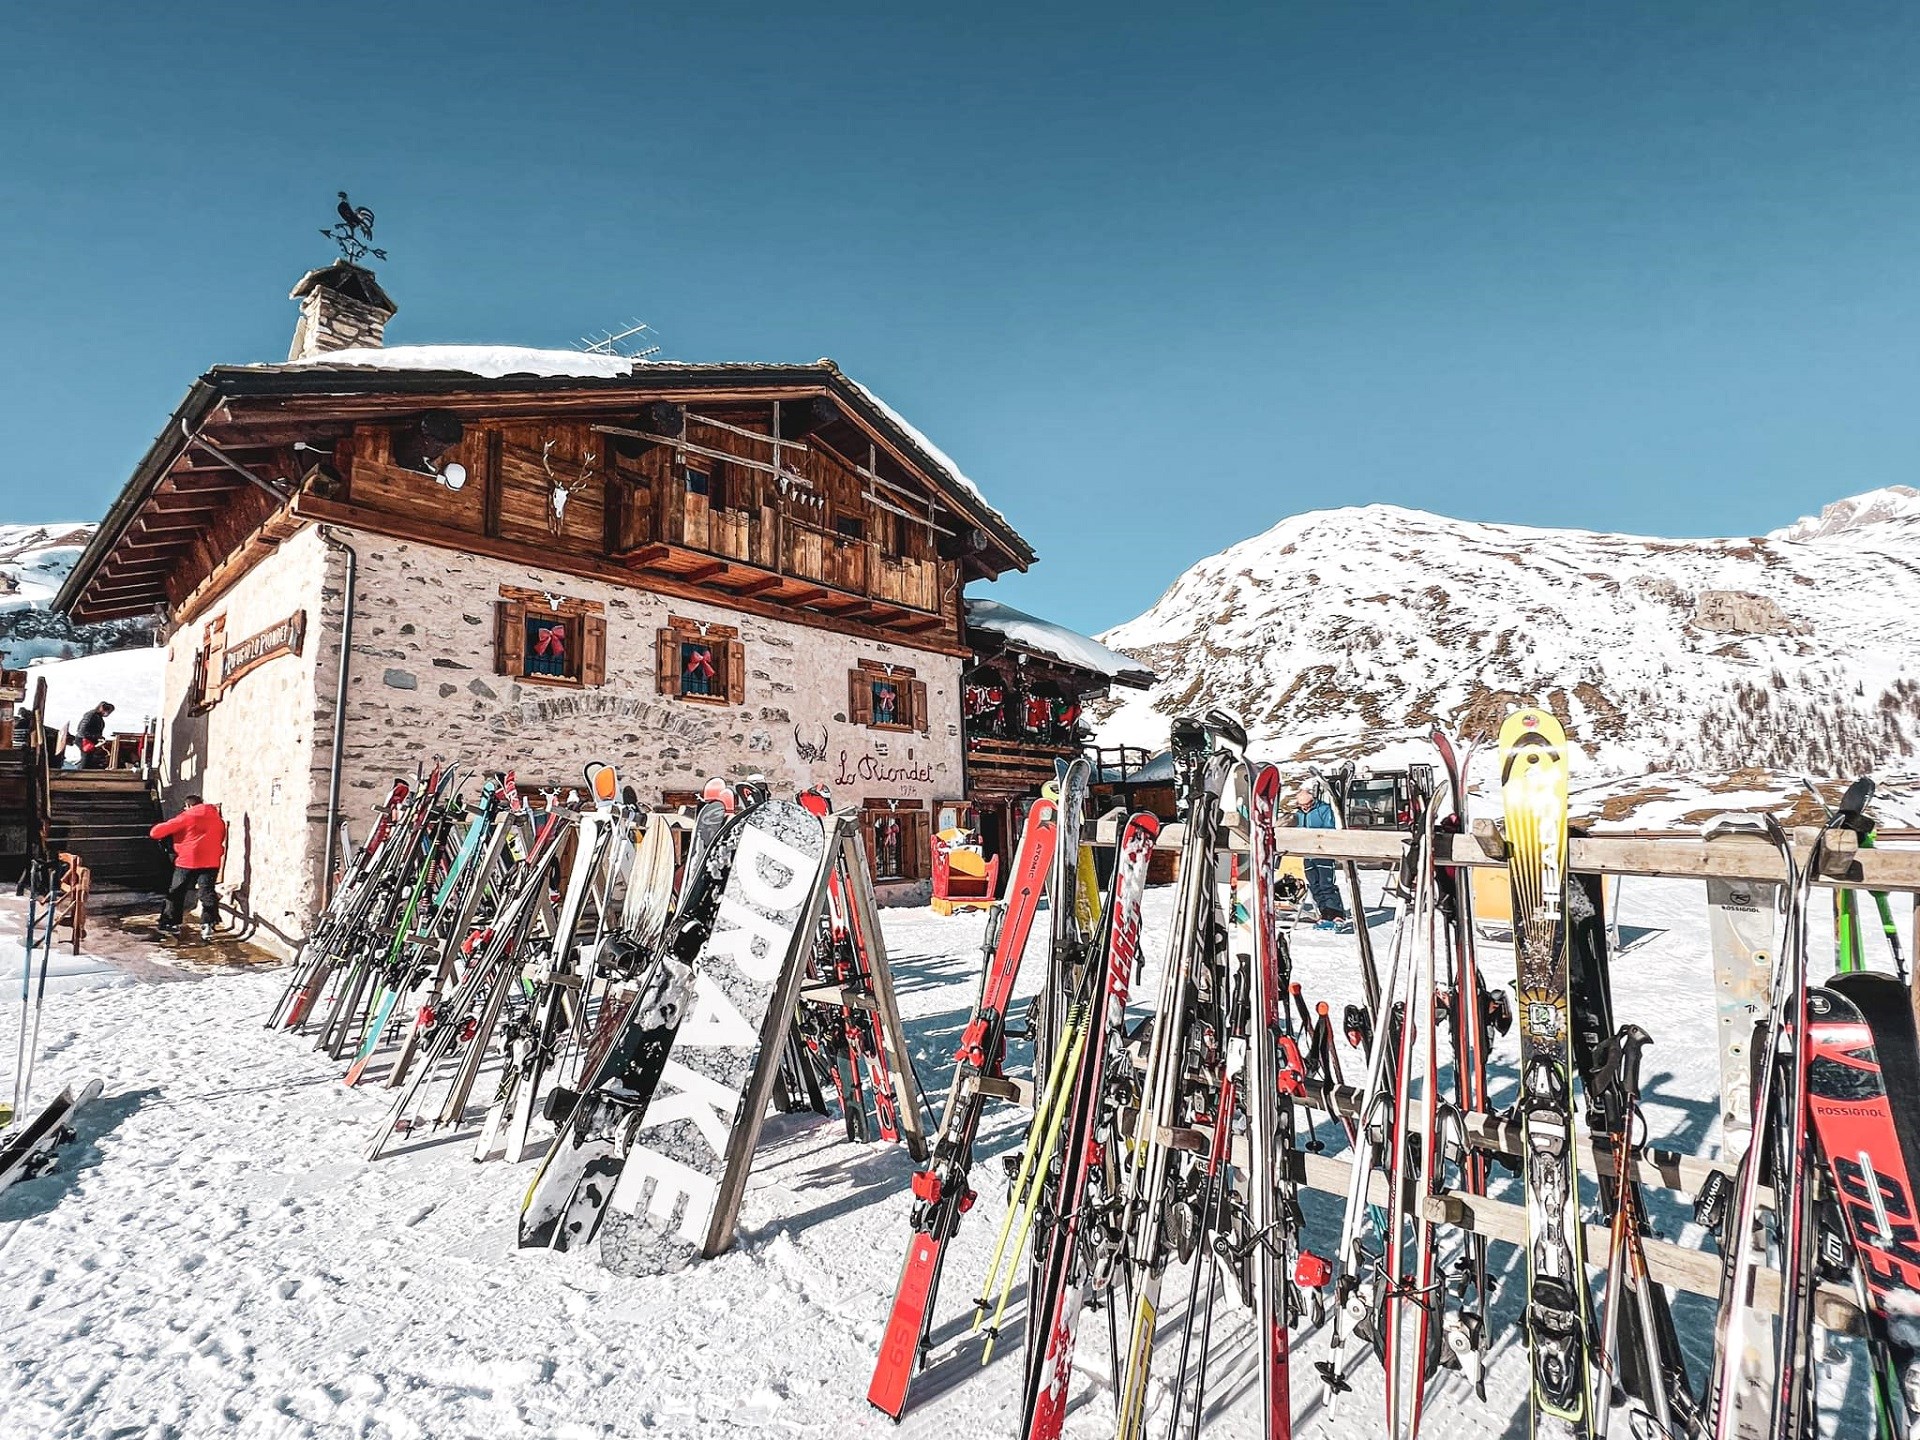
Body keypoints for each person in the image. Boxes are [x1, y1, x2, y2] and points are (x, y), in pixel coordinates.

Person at [151, 793, 227, 939]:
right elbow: (221, 837)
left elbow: (155, 832)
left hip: (188, 860)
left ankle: (170, 922)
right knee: (207, 892)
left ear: (188, 805)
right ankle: (208, 923)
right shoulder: (218, 819)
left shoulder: (187, 816)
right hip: (211, 860)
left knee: (177, 891)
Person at [1291, 782, 1351, 931]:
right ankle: (1324, 913)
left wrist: (1319, 839)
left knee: (1326, 884)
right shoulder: (1298, 814)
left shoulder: (1323, 809)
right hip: (1307, 853)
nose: (1305, 808)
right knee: (1314, 885)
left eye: (1307, 804)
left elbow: (1329, 828)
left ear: (1313, 801)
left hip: (1322, 852)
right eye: (1302, 805)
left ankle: (1336, 914)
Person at [75, 700, 115, 769]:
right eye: (107, 710)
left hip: (89, 740)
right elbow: (82, 730)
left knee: (91, 759)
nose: (107, 713)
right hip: (84, 740)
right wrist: (96, 737)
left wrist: (98, 737)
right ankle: (81, 773)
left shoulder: (98, 717)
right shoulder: (91, 715)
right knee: (86, 761)